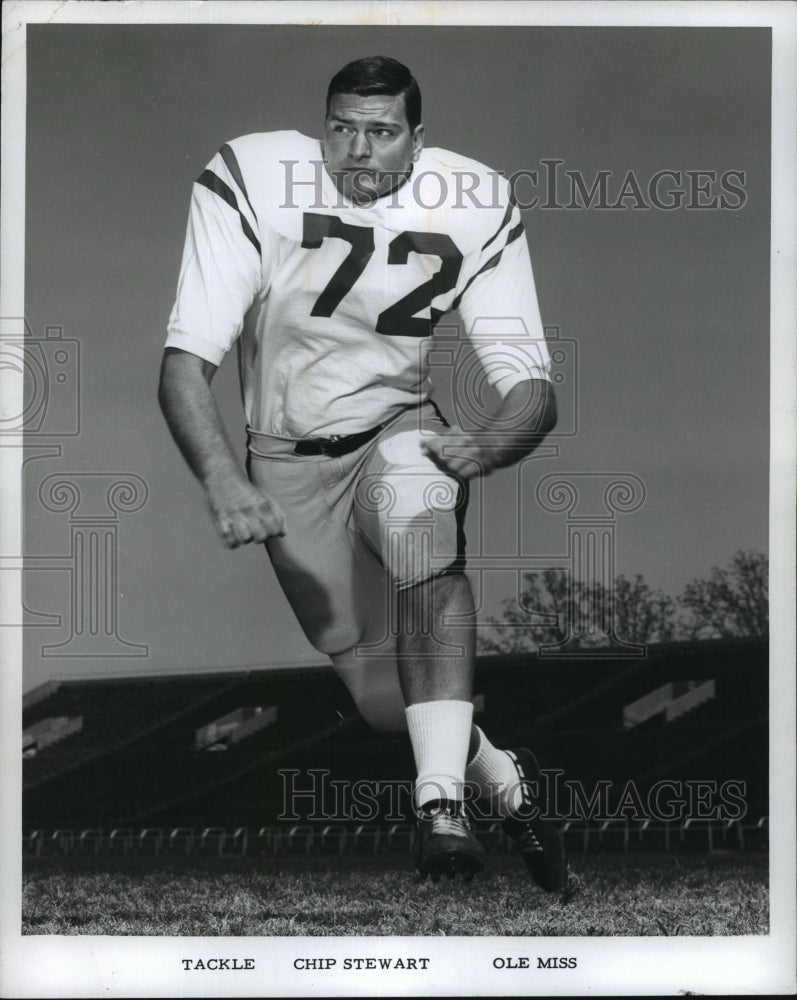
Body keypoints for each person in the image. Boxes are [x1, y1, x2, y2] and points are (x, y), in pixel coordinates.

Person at [159, 55, 566, 888]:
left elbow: (532, 389)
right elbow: (181, 367)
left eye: (381, 132)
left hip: (395, 425)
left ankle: (439, 813)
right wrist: (221, 480)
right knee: (389, 707)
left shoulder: (473, 201)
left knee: (426, 539)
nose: (357, 149)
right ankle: (512, 788)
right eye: (340, 127)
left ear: (419, 140)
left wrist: (487, 444)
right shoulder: (252, 176)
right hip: (282, 459)